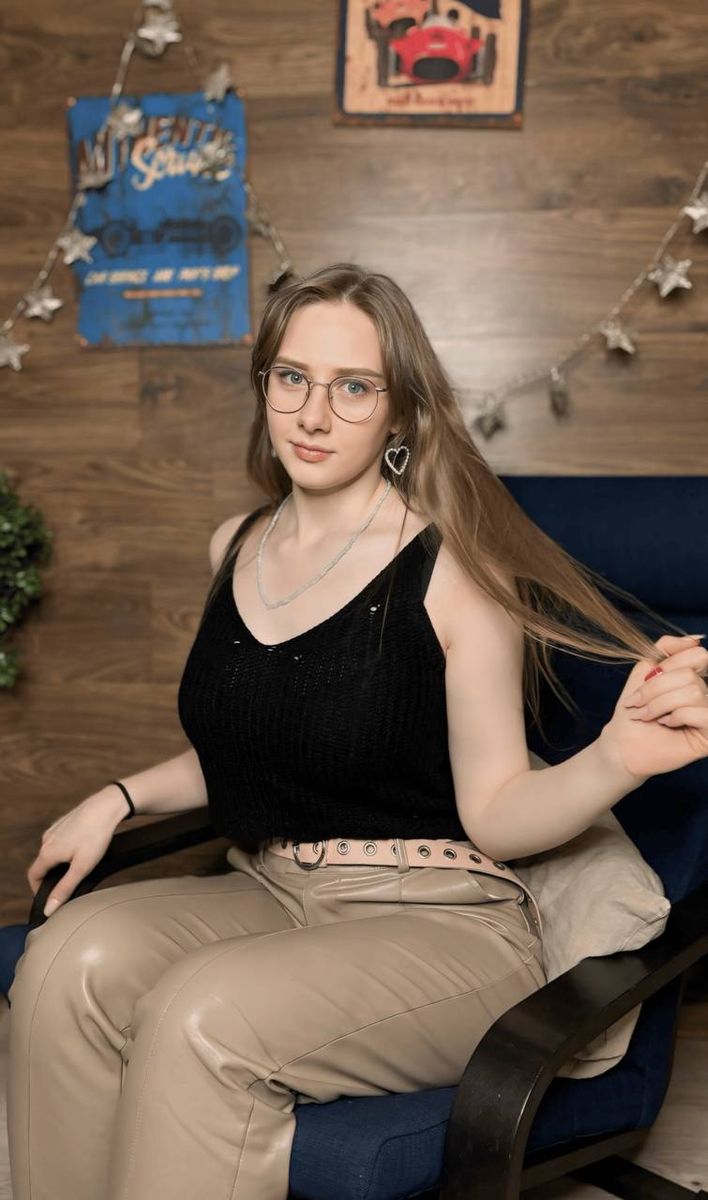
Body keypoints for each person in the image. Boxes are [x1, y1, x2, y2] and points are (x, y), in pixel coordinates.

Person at [7, 261, 708, 1200]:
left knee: (199, 1013)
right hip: (273, 885)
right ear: (263, 383)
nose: (313, 414)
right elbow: (258, 745)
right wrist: (118, 797)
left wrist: (616, 755)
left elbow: (499, 812)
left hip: (443, 921)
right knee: (64, 963)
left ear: (400, 414)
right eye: (292, 378)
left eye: (353, 388)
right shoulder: (236, 545)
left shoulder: (457, 570)